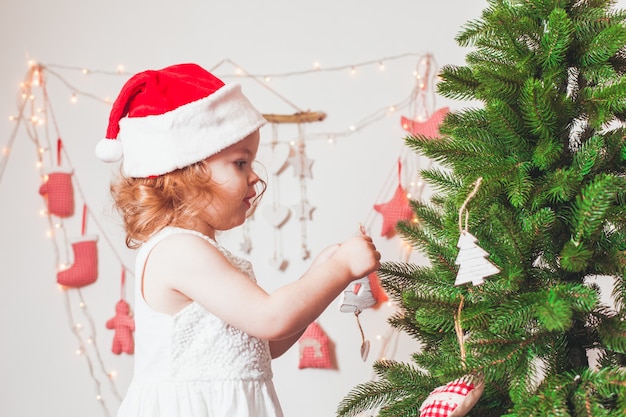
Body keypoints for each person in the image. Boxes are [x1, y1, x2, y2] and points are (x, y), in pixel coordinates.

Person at [95, 63, 381, 417]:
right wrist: (339, 268)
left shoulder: (205, 253)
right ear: (185, 171)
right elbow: (270, 318)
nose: (255, 179)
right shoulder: (177, 251)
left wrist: (322, 275)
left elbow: (267, 342)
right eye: (240, 163)